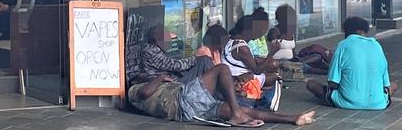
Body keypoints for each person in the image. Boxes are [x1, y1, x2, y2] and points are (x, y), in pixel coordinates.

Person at [129, 65, 316, 127]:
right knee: (222, 69)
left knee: (247, 110)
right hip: (181, 102)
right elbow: (145, 93)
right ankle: (236, 112)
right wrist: (160, 77)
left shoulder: (158, 86)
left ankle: (294, 118)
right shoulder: (136, 89)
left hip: (192, 110)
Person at [306, 17, 397, 110]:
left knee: (311, 84)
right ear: (365, 31)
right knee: (394, 85)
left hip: (346, 102)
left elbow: (332, 83)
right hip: (378, 104)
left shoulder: (343, 45)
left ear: (346, 31)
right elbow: (386, 84)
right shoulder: (377, 45)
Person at [223, 15, 282, 111]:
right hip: (240, 78)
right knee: (275, 77)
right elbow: (257, 71)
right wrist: (272, 52)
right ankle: (268, 103)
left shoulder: (232, 40)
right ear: (247, 31)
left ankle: (257, 94)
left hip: (236, 75)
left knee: (272, 67)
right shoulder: (242, 47)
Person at [127, 24, 214, 86]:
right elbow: (176, 65)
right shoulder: (150, 51)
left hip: (173, 79)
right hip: (171, 83)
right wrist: (196, 57)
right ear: (156, 40)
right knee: (204, 61)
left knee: (204, 62)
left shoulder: (153, 49)